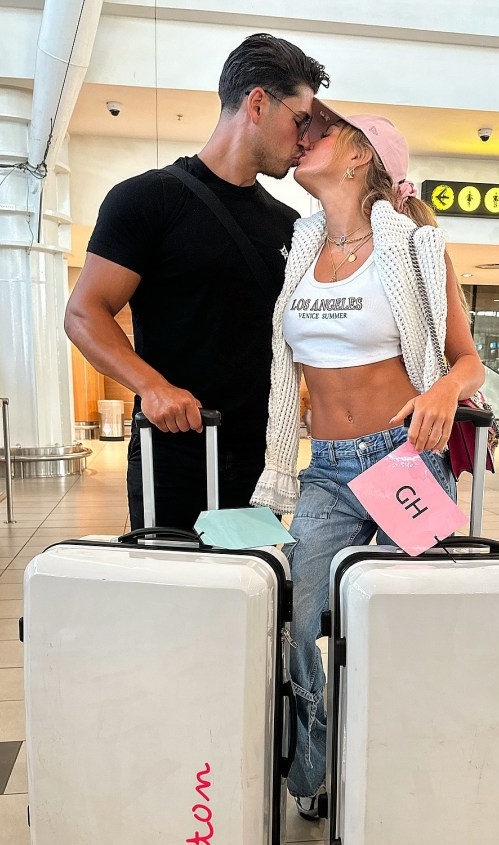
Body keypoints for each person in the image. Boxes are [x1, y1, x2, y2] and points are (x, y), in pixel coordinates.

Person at [250, 102, 485, 817]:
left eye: (321, 133)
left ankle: (406, 763)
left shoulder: (413, 250)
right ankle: (316, 763)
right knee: (298, 618)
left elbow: (467, 360)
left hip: (403, 458)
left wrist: (445, 390)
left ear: (358, 157)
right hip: (326, 466)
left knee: (411, 628)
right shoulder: (299, 250)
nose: (304, 139)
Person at [65, 35, 329, 530]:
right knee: (176, 595)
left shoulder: (290, 224)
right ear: (256, 103)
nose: (304, 139)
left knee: (253, 592)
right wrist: (153, 387)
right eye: (300, 120)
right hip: (175, 453)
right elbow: (84, 313)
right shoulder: (148, 199)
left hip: (262, 460)